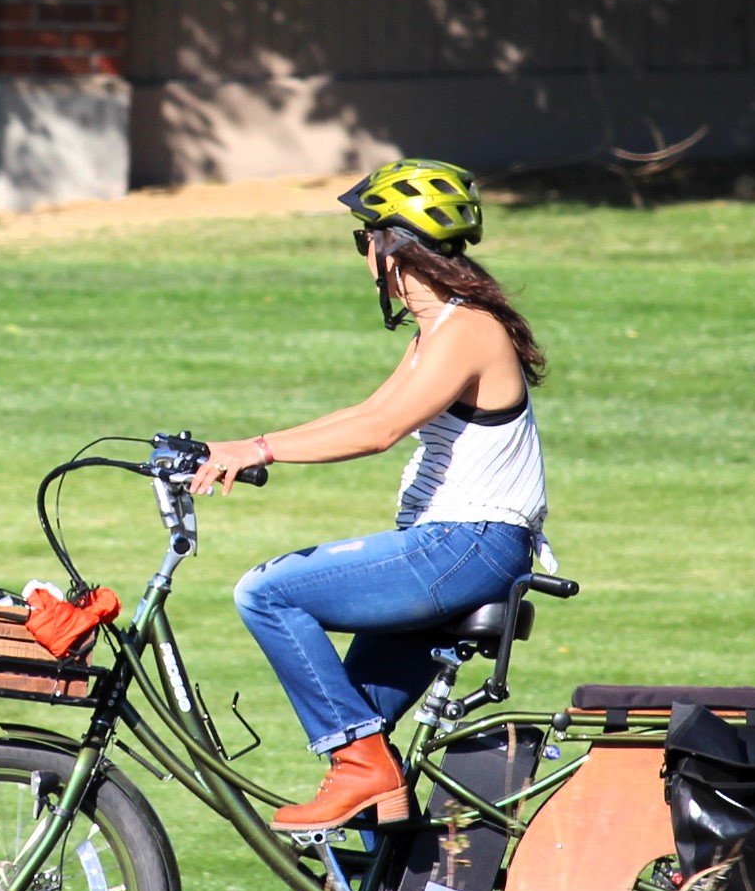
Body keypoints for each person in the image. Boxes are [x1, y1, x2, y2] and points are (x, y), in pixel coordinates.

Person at [192, 158, 548, 833]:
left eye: (365, 237)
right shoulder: (439, 331)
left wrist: (257, 449)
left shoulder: (468, 329)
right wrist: (238, 444)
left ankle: (363, 775)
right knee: (366, 744)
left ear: (391, 246)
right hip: (458, 546)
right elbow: (363, 411)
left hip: (468, 544)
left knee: (268, 593)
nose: (363, 252)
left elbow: (379, 430)